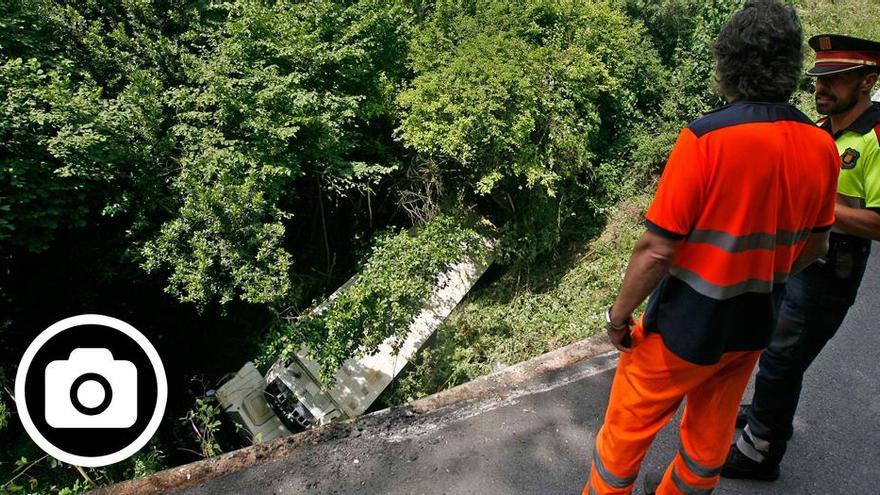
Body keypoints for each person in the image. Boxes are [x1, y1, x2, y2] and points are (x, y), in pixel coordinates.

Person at [581, 2, 841, 494]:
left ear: (729, 61)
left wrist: (619, 317)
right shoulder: (821, 146)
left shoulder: (706, 138)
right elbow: (816, 245)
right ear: (790, 69)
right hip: (754, 323)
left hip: (685, 326)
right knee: (708, 441)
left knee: (625, 433)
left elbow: (656, 249)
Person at [722, 34, 880, 481]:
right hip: (800, 258)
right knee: (775, 347)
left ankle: (759, 453)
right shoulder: (822, 130)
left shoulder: (874, 138)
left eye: (836, 81)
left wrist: (814, 210)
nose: (821, 90)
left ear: (868, 81)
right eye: (818, 81)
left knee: (781, 357)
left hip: (833, 268)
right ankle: (767, 416)